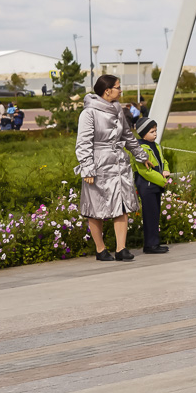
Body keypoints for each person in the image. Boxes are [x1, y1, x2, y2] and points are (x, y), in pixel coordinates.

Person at [76, 74, 148, 261]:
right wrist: (88, 169)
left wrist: (141, 156)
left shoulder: (117, 109)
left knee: (121, 204)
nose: (121, 90)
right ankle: (100, 249)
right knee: (95, 207)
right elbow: (83, 143)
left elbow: (127, 136)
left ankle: (121, 248)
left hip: (119, 164)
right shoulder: (89, 113)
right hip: (98, 164)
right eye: (118, 87)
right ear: (107, 90)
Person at [134, 118, 171, 254]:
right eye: (151, 131)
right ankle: (150, 244)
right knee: (150, 215)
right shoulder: (140, 149)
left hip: (155, 186)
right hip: (148, 186)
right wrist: (161, 180)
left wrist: (166, 169)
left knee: (155, 214)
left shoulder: (156, 145)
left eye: (155, 131)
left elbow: (163, 160)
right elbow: (145, 171)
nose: (155, 134)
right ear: (143, 133)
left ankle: (154, 242)